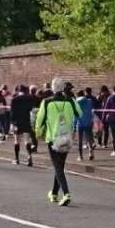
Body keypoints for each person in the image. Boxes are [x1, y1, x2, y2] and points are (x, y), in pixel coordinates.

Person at [35, 77, 81, 206]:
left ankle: (66, 194)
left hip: (52, 138)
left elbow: (40, 120)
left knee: (58, 167)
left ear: (53, 88)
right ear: (63, 88)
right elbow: (80, 114)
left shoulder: (46, 102)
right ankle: (54, 193)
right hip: (67, 137)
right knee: (59, 166)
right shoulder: (70, 101)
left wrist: (38, 132)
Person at [10, 84, 39, 166]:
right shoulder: (29, 99)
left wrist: (12, 123)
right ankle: (29, 156)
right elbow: (31, 109)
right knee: (27, 140)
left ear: (19, 91)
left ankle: (17, 159)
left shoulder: (14, 99)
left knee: (17, 141)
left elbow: (12, 113)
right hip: (26, 121)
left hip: (17, 122)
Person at [75, 87, 96, 161]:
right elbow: (92, 110)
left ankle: (80, 156)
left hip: (80, 123)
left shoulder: (76, 103)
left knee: (80, 140)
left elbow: (75, 115)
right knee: (89, 137)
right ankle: (91, 152)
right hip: (88, 122)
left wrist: (74, 126)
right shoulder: (89, 101)